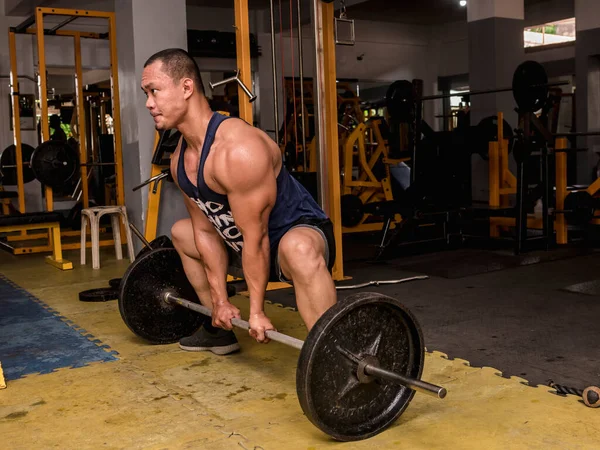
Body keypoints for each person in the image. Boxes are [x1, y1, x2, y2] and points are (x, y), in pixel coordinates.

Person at [141, 48, 337, 354]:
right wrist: (220, 301)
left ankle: (334, 353)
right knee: (182, 232)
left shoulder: (238, 150)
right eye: (146, 93)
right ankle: (218, 328)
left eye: (154, 91)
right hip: (241, 243)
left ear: (186, 87)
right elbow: (205, 231)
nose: (148, 103)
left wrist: (257, 311)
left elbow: (257, 238)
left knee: (297, 249)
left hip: (291, 234)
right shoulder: (180, 160)